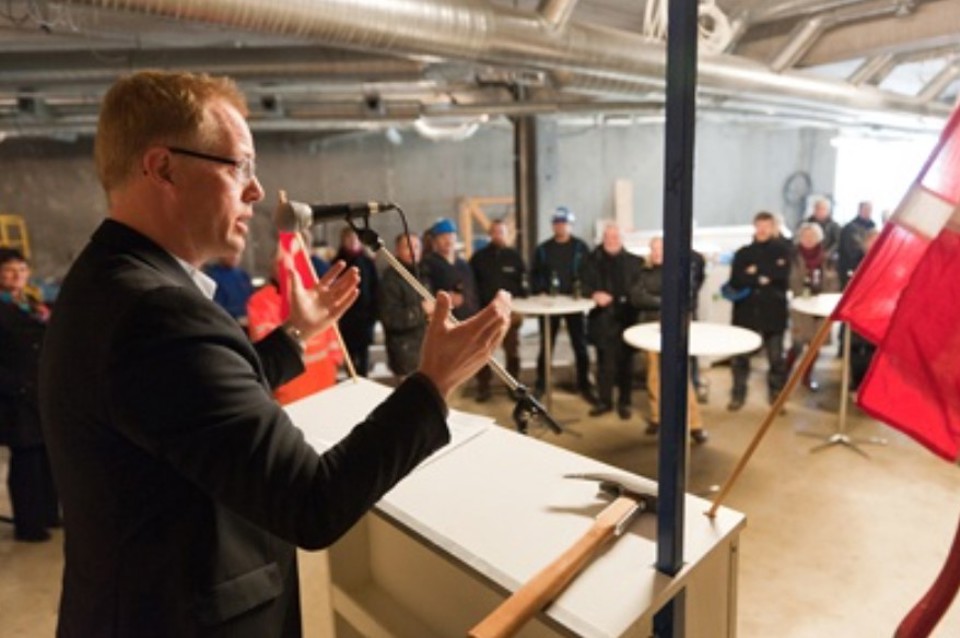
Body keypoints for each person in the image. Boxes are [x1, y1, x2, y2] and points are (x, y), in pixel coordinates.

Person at [38, 70, 509, 638]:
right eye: (240, 167)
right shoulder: (158, 313)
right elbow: (312, 502)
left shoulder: (110, 280)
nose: (257, 191)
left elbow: (193, 413)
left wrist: (293, 337)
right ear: (163, 168)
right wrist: (432, 384)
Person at [0, 248, 60, 542]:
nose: (17, 275)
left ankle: (49, 514)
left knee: (48, 456)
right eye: (9, 270)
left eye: (22, 270)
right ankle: (29, 525)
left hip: (42, 392)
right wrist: (17, 386)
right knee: (27, 459)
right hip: (15, 397)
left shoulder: (34, 304)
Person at [630, 237, 708, 443]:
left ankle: (695, 424)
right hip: (649, 329)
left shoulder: (679, 272)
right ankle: (657, 418)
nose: (657, 253)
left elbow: (684, 298)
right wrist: (664, 301)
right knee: (653, 376)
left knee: (680, 377)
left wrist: (655, 300)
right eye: (653, 249)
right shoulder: (643, 272)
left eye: (660, 249)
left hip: (674, 329)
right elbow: (636, 297)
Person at [247, 246, 342, 405]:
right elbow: (268, 348)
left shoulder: (314, 295)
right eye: (283, 262)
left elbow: (332, 334)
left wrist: (335, 361)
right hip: (288, 393)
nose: (289, 267)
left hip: (324, 386)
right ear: (272, 267)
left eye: (294, 261)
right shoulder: (261, 301)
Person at [530, 206, 596, 404]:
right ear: (553, 226)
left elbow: (589, 272)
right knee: (546, 345)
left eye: (564, 223)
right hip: (549, 305)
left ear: (570, 225)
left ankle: (584, 385)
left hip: (574, 304)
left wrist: (584, 291)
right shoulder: (543, 249)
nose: (560, 226)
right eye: (557, 223)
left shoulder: (580, 248)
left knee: (580, 345)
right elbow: (534, 274)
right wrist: (539, 290)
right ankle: (541, 384)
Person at [727, 211, 791, 411]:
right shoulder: (743, 253)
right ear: (754, 227)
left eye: (767, 226)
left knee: (776, 358)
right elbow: (736, 280)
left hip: (774, 311)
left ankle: (777, 395)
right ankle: (738, 394)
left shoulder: (783, 251)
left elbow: (783, 276)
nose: (762, 230)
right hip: (746, 312)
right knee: (740, 358)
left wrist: (755, 271)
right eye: (759, 225)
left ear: (773, 228)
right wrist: (763, 276)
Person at [580, 223, 643, 419]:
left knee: (626, 363)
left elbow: (639, 289)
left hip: (626, 318)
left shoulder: (635, 262)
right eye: (608, 237)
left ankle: (625, 402)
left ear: (621, 239)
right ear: (603, 238)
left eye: (615, 237)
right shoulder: (590, 260)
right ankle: (604, 401)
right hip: (601, 318)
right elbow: (581, 284)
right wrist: (593, 294)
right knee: (604, 364)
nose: (612, 240)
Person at [469, 218, 527, 401]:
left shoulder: (515, 257)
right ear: (490, 234)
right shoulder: (478, 258)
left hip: (510, 313)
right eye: (494, 232)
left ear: (506, 234)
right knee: (483, 351)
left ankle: (513, 386)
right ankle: (483, 387)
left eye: (501, 232)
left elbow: (523, 284)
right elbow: (472, 285)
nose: (498, 235)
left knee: (512, 352)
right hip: (486, 312)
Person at [786, 222, 840, 391]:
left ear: (819, 238)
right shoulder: (792, 257)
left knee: (815, 345)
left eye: (812, 236)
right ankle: (784, 375)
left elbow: (835, 282)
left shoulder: (828, 259)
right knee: (797, 343)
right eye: (805, 236)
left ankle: (807, 377)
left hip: (820, 308)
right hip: (800, 306)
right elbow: (788, 280)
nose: (808, 239)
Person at [378, 232, 429, 378]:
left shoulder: (423, 274)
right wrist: (422, 310)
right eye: (408, 247)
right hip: (405, 353)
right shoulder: (390, 280)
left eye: (417, 247)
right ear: (397, 250)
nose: (413, 251)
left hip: (426, 348)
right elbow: (390, 318)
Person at [334, 226, 379, 376]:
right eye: (349, 238)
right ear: (343, 241)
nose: (353, 242)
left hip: (365, 318)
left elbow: (375, 289)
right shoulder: (337, 262)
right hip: (346, 316)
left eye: (356, 239)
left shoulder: (368, 262)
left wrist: (373, 314)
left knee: (364, 356)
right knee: (349, 356)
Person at [422, 217, 479, 323]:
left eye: (451, 236)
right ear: (435, 240)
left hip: (468, 319)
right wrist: (445, 301)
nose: (448, 241)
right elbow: (425, 296)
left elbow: (473, 292)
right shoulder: (428, 264)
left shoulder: (464, 265)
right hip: (444, 321)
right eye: (443, 237)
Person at [203, 253, 254, 326]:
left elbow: (251, 300)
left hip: (247, 322)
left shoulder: (243, 275)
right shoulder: (211, 276)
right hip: (224, 324)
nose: (234, 256)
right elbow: (213, 306)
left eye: (238, 254)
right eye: (230, 253)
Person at [837, 200, 876, 288]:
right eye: (866, 209)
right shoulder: (850, 228)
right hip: (852, 267)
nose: (868, 212)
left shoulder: (873, 226)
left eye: (870, 209)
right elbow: (849, 251)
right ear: (860, 210)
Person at [799, 198, 841, 263]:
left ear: (828, 211)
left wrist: (828, 253)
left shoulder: (834, 226)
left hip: (827, 258)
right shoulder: (804, 224)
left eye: (823, 209)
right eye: (818, 208)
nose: (820, 211)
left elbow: (837, 242)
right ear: (814, 209)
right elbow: (798, 239)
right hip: (806, 256)